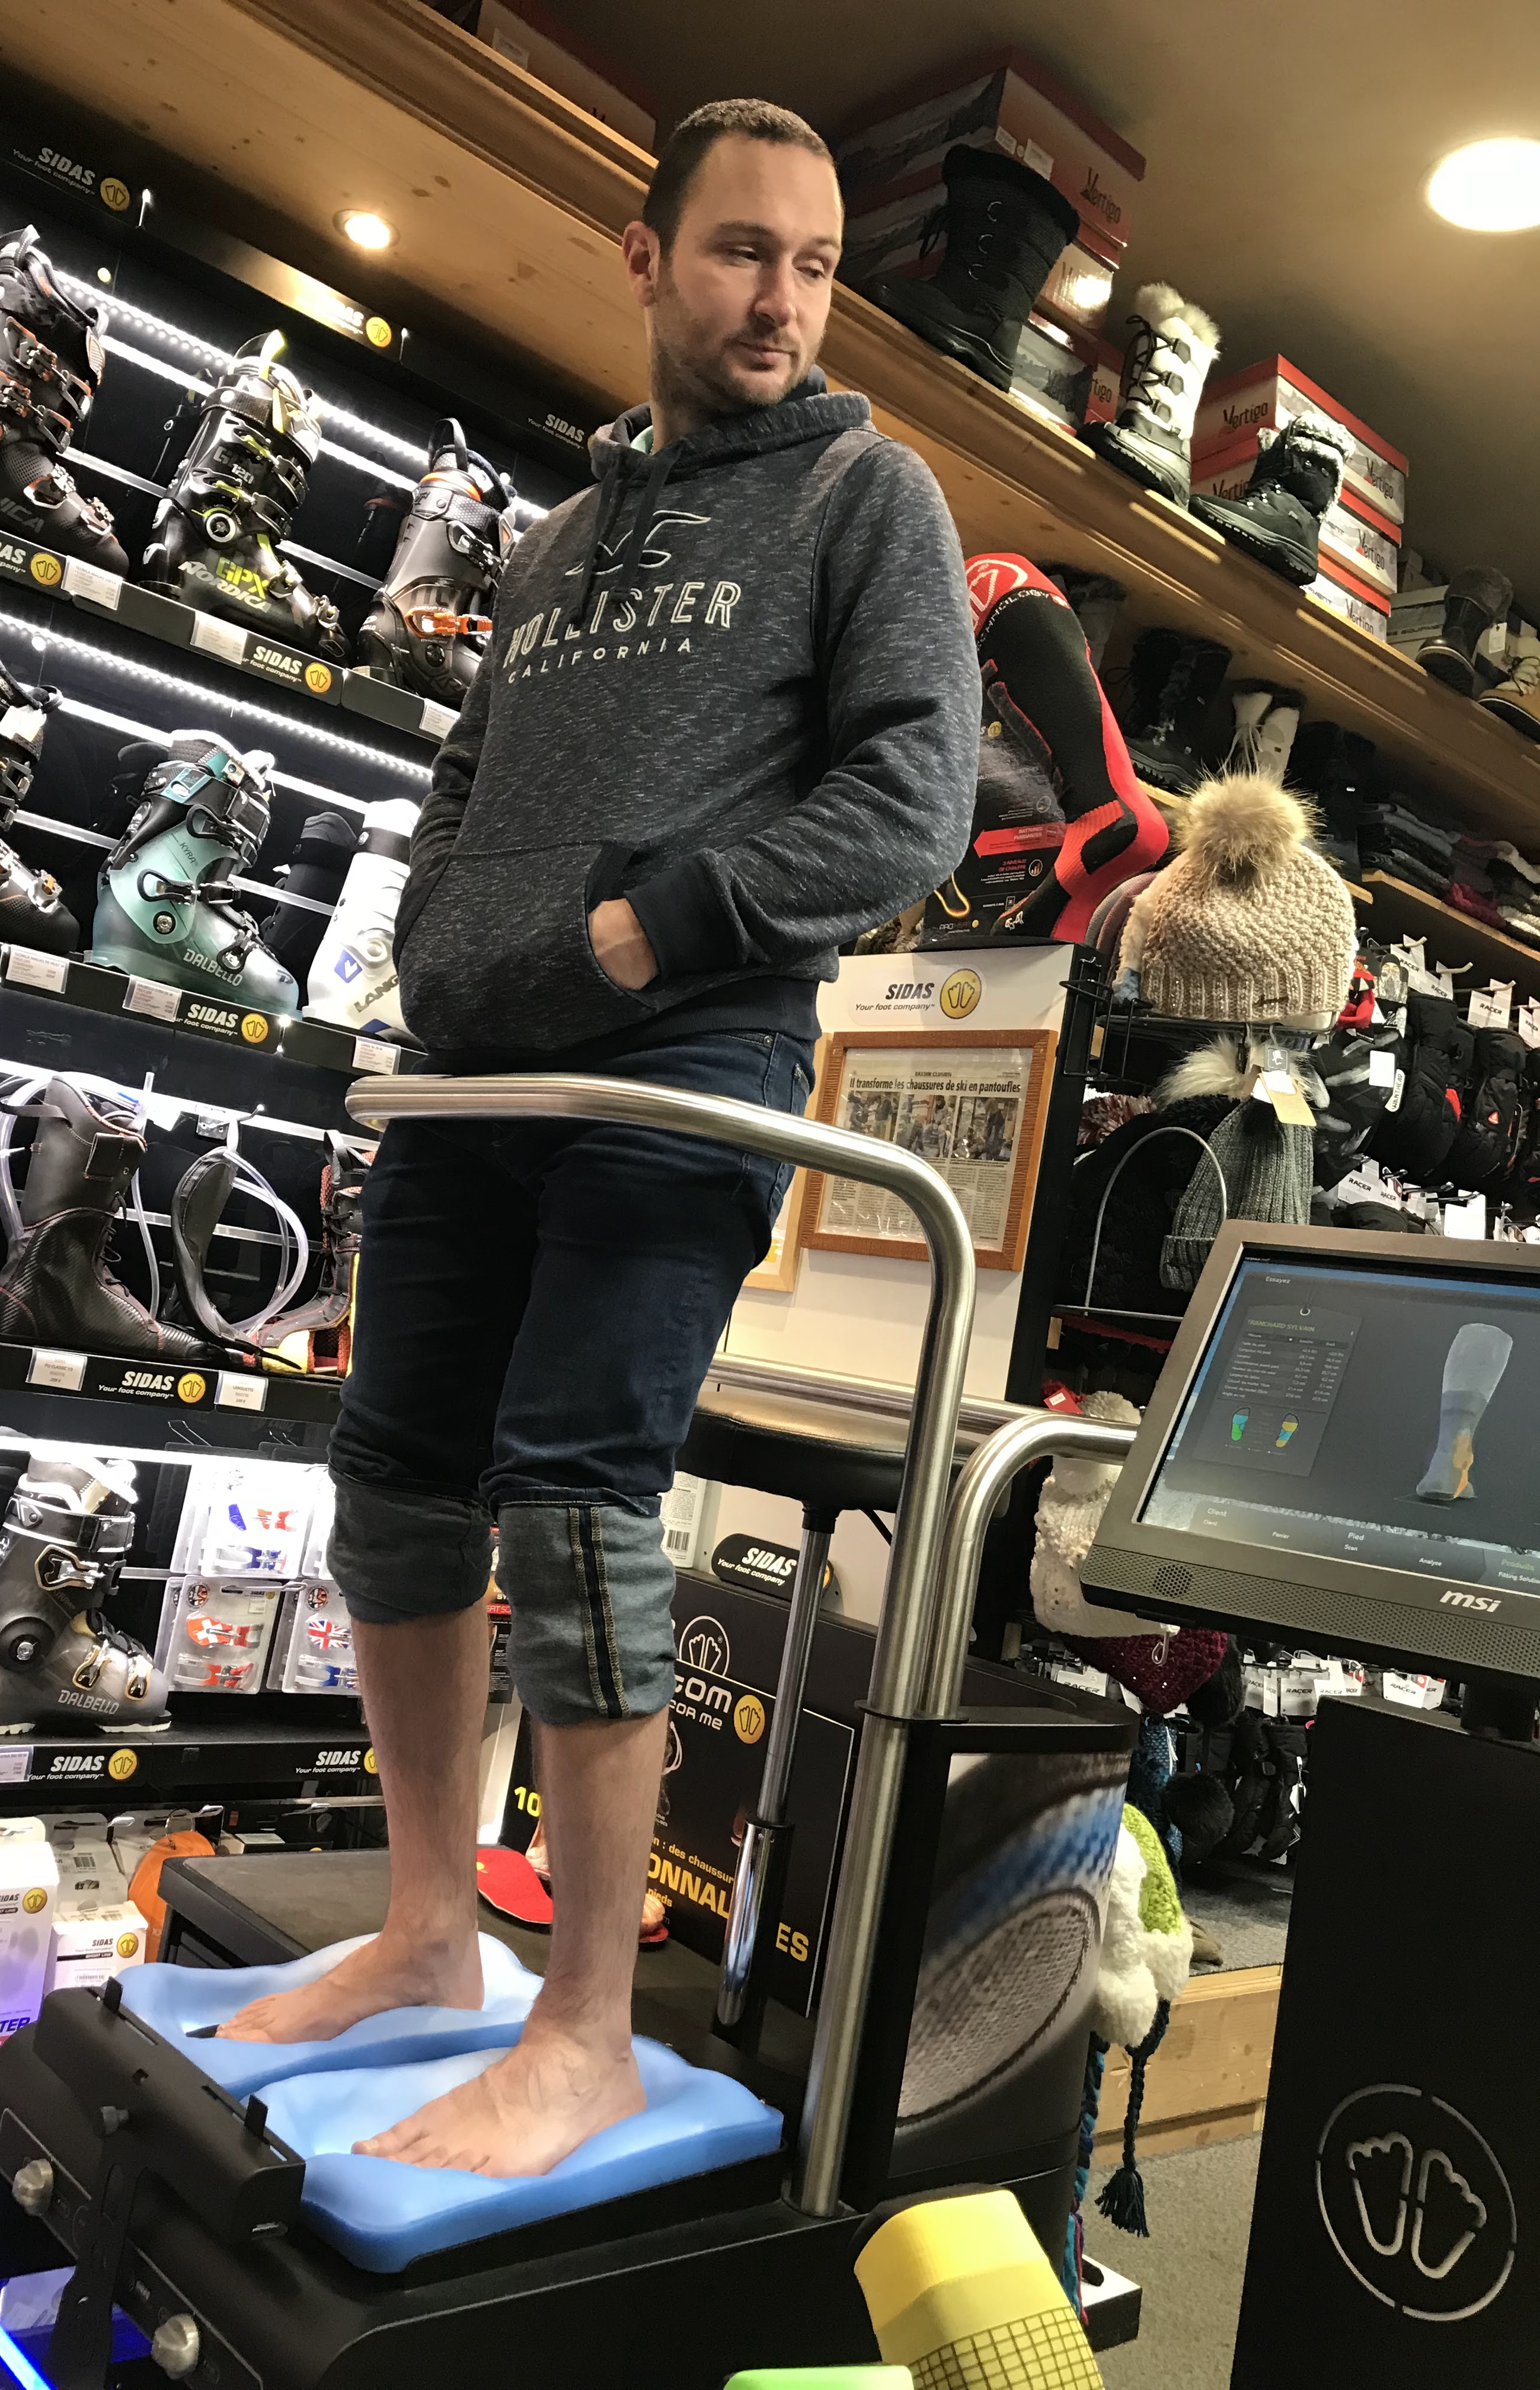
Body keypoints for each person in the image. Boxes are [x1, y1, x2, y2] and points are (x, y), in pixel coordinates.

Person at [218, 97, 978, 2177]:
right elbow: (465, 778)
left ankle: (585, 2030)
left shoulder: (868, 494)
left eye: (817, 266)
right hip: (483, 1066)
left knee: (571, 1501)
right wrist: (448, 953)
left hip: (682, 1061)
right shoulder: (560, 540)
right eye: (743, 253)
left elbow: (916, 800)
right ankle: (426, 1929)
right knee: (394, 1483)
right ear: (644, 258)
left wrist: (655, 928)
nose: (784, 303)